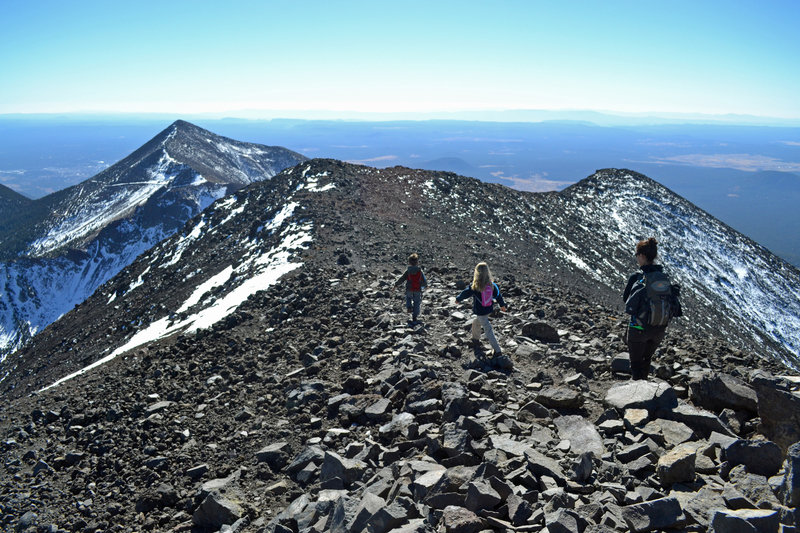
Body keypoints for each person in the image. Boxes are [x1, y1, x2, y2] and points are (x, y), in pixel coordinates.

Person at [623, 237, 672, 380]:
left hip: (639, 328)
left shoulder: (637, 277)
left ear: (642, 256)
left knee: (636, 365)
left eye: (637, 255)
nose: (637, 258)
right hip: (658, 329)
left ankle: (638, 396)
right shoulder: (663, 278)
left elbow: (627, 300)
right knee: (646, 361)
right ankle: (646, 393)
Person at [456, 262, 507, 357]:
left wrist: (458, 299)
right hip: (488, 310)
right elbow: (498, 296)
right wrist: (502, 305)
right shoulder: (492, 285)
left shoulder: (476, 286)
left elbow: (466, 293)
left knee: (488, 329)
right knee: (476, 322)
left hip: (480, 311)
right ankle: (475, 339)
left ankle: (497, 350)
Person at [394, 253, 427, 323]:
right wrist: (425, 286)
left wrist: (396, 284)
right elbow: (424, 281)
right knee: (417, 302)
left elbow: (402, 278)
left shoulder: (408, 271)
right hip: (417, 289)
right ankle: (415, 316)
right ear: (417, 262)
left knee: (408, 298)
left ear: (409, 262)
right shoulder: (420, 271)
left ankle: (409, 307)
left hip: (409, 288)